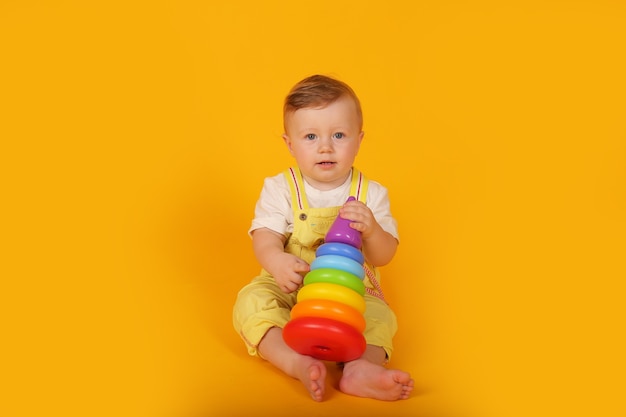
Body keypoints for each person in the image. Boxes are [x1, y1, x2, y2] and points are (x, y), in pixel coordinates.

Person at [232, 74, 414, 402]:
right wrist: (277, 261)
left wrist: (372, 229)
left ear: (359, 140)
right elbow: (265, 235)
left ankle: (360, 368)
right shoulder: (279, 188)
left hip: (352, 290)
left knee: (380, 317)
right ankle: (296, 361)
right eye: (311, 136)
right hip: (292, 285)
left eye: (339, 135)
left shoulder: (370, 194)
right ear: (290, 144)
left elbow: (385, 255)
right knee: (251, 302)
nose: (325, 146)